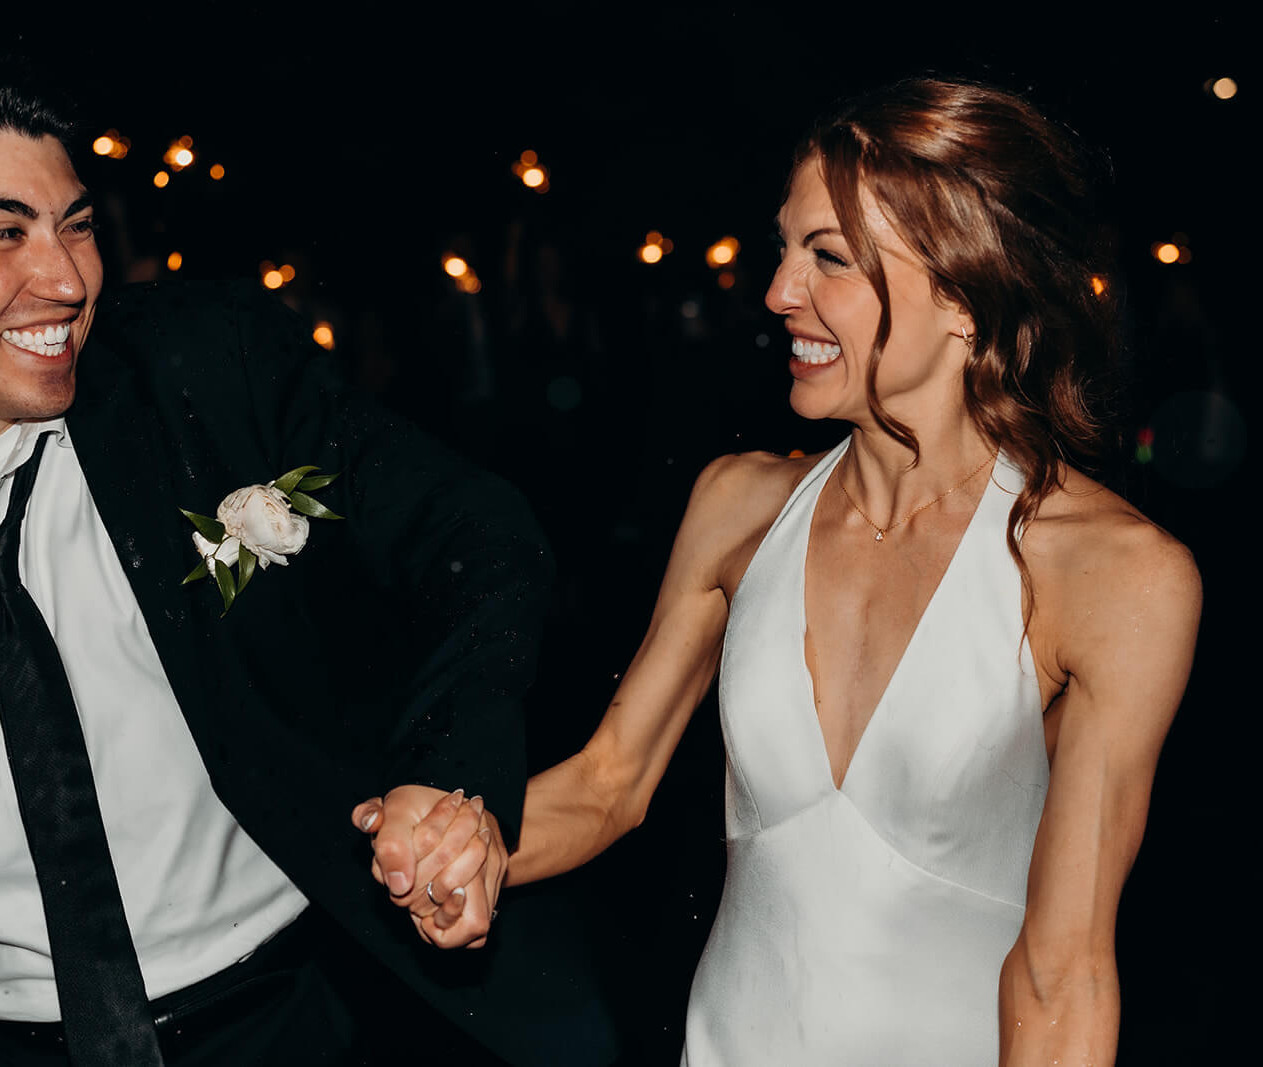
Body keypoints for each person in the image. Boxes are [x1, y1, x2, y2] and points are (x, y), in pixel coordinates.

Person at [0, 44, 612, 1067]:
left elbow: (473, 526)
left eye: (75, 224)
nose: (68, 277)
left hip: (282, 1014)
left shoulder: (200, 370)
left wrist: (449, 777)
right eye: (5, 231)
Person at [357, 77, 1201, 1065]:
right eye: (785, 247)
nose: (777, 293)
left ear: (966, 294)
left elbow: (1061, 975)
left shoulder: (1113, 573)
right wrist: (470, 843)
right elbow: (610, 780)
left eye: (828, 259)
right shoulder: (738, 505)